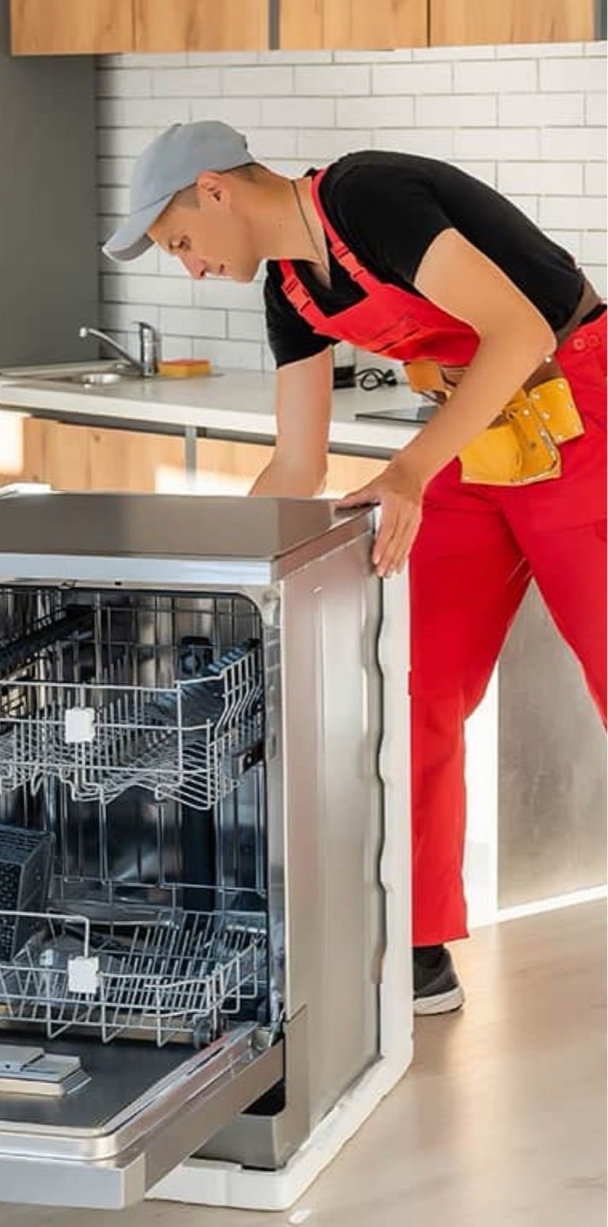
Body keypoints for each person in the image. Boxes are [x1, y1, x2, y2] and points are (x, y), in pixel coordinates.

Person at [104, 120, 607, 1015]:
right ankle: (418, 939)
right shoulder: (291, 291)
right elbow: (297, 463)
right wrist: (208, 568)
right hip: (475, 439)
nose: (191, 267)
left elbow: (520, 329)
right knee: (411, 687)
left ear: (215, 189)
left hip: (585, 406)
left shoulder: (367, 196)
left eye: (180, 241)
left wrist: (408, 471)